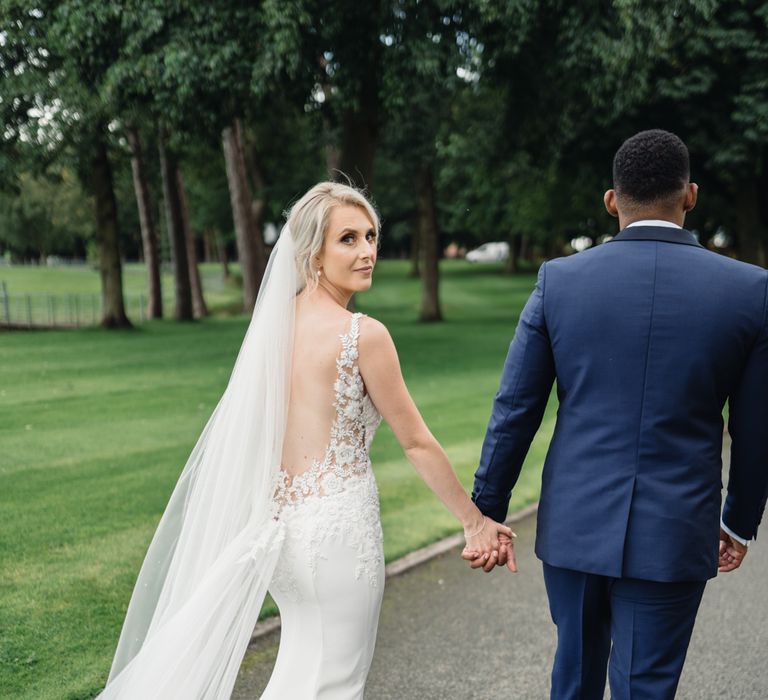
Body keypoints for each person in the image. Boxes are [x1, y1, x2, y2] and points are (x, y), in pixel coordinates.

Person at [97, 181, 511, 700]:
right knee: (336, 683)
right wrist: (474, 522)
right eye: (348, 239)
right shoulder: (364, 334)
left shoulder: (273, 326)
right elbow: (417, 442)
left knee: (301, 675)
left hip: (282, 538)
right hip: (339, 537)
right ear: (313, 252)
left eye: (371, 236)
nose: (367, 251)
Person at [467, 129, 768, 699]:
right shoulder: (750, 291)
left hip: (574, 522)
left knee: (574, 679)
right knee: (646, 688)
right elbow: (756, 431)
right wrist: (737, 520)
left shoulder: (559, 281)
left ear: (612, 200)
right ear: (690, 196)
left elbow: (516, 408)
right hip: (677, 527)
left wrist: (487, 509)